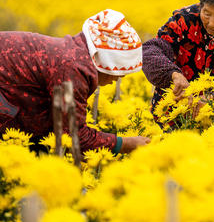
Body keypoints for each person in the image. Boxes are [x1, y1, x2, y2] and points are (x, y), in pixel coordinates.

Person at [0, 9, 151, 154]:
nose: (120, 77)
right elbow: (74, 136)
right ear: (106, 61)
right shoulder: (73, 69)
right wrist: (126, 144)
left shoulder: (75, 54)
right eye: (119, 70)